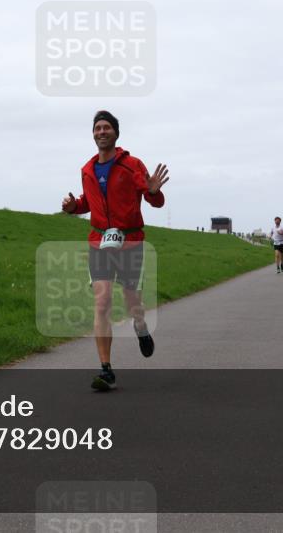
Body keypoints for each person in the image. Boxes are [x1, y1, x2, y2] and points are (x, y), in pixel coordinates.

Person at [61, 110, 169, 391]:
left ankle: (140, 326)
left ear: (116, 133)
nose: (101, 132)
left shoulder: (132, 165)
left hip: (130, 241)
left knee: (132, 301)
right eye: (97, 128)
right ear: (93, 134)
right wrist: (74, 207)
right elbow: (88, 203)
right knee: (102, 301)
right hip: (99, 243)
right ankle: (106, 369)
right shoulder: (87, 170)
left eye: (106, 127)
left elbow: (154, 201)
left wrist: (154, 191)